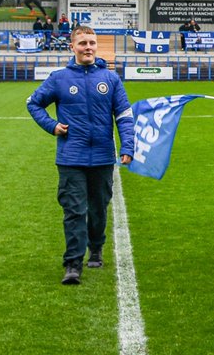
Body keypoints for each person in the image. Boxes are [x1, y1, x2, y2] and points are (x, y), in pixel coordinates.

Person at [26, 26, 134, 286]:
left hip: (102, 157)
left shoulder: (111, 79)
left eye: (92, 43)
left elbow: (124, 116)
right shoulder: (59, 78)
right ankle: (73, 264)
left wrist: (128, 146)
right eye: (83, 43)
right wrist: (52, 125)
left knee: (98, 209)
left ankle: (95, 248)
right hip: (70, 157)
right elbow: (33, 103)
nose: (88, 47)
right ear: (72, 47)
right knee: (74, 210)